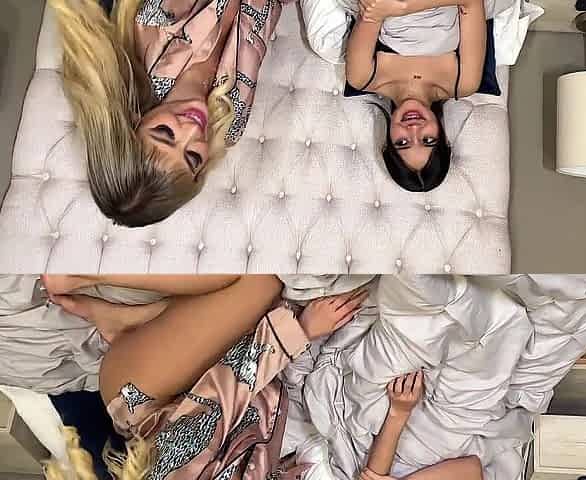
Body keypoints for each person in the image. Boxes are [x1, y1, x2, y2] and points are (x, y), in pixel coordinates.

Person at [40, 274, 368, 480]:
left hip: (141, 392)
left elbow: (212, 409)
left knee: (262, 280)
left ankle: (75, 276)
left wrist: (300, 332)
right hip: (183, 393)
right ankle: (130, 321)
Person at [50, 0, 287, 227]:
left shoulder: (154, 27)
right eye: (193, 158)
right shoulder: (230, 122)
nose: (192, 131)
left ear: (136, 120)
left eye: (165, 133)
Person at [344, 0, 491, 192]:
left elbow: (372, 8)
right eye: (427, 140)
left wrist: (394, 7)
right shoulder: (464, 82)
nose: (413, 129)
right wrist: (404, 7)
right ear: (443, 137)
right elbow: (471, 2)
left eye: (402, 142)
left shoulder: (362, 77)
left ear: (388, 142)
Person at [359, 371, 484, 480]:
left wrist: (398, 412)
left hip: (403, 428)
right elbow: (472, 470)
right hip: (448, 432)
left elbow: (373, 475)